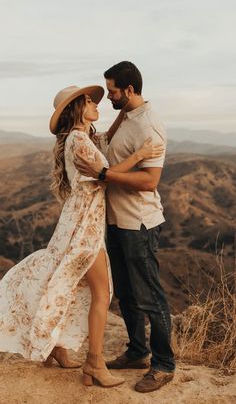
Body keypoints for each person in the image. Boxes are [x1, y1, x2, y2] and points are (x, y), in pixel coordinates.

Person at [0, 84, 163, 388]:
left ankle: (58, 348)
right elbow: (108, 173)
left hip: (77, 221)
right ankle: (94, 365)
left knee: (67, 282)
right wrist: (141, 153)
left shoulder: (81, 138)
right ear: (77, 109)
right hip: (84, 227)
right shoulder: (80, 141)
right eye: (89, 102)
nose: (96, 105)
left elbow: (107, 138)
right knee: (102, 294)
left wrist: (123, 114)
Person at [75, 61, 176, 393]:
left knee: (150, 296)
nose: (108, 97)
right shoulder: (126, 117)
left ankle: (163, 365)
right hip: (115, 221)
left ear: (129, 90)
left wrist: (104, 175)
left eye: (113, 91)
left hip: (139, 223)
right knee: (128, 294)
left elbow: (149, 181)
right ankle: (137, 352)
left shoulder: (149, 126)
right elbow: (106, 147)